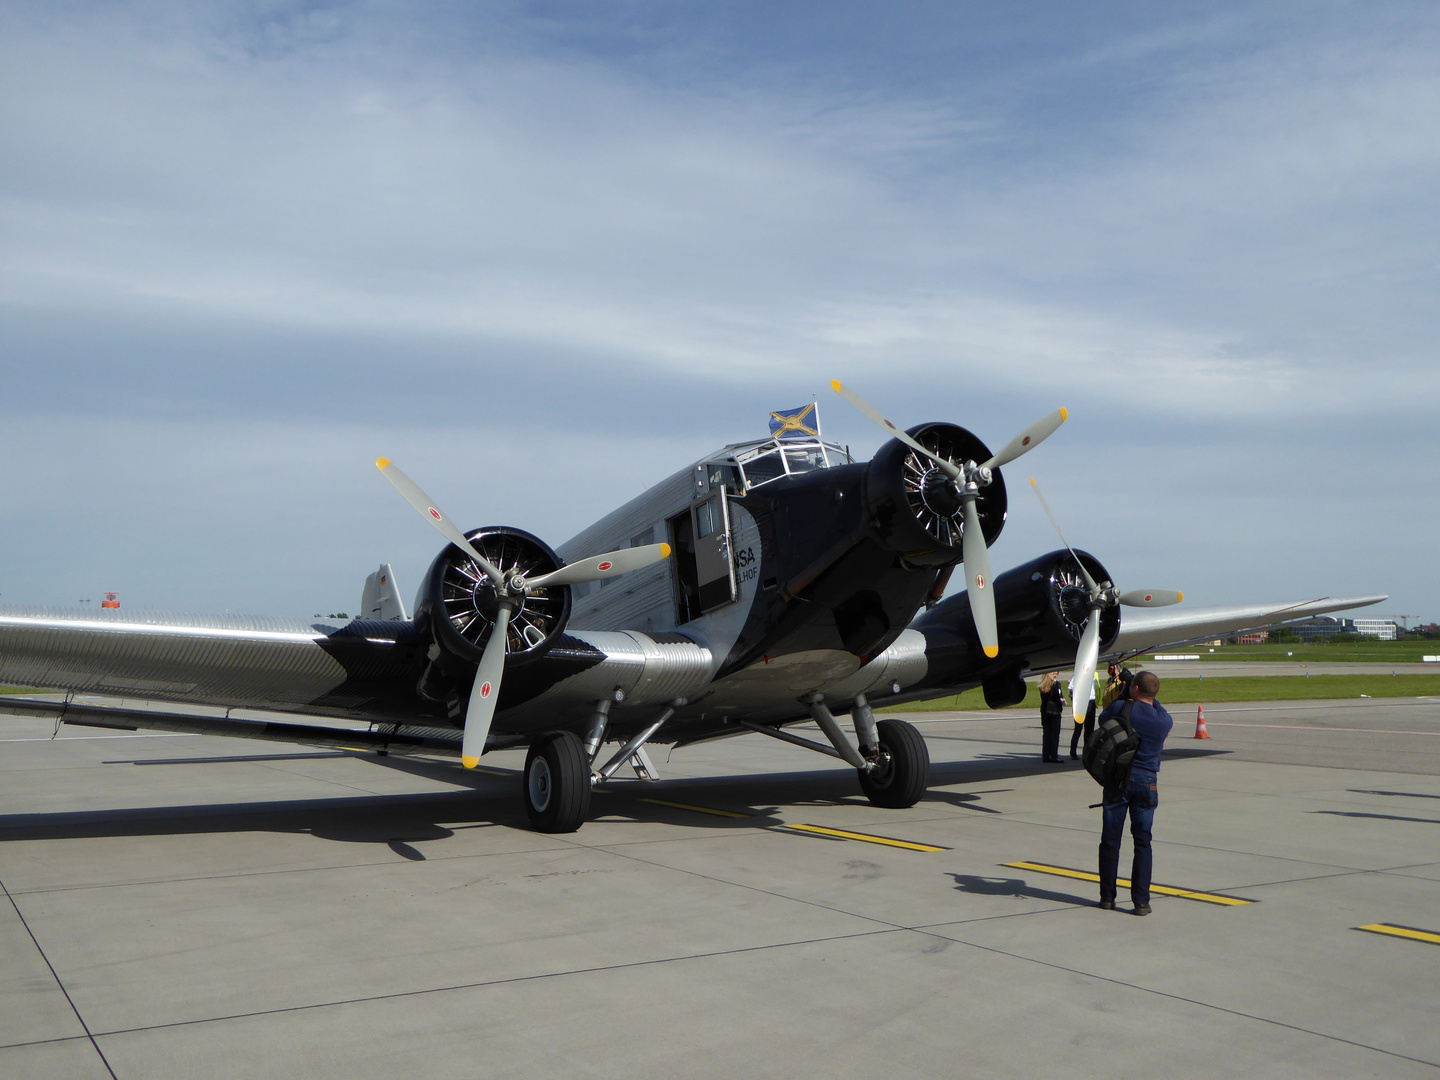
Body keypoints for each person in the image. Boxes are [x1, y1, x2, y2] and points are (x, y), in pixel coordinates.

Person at [1096, 669, 1173, 915]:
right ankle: (1141, 901)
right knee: (1143, 842)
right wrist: (1140, 689)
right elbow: (1156, 704)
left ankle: (1107, 897)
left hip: (1119, 781)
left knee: (1110, 841)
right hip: (1147, 783)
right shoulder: (1163, 720)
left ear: (1135, 689)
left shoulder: (1123, 708)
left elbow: (1103, 718)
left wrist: (1125, 693)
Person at [1037, 672, 1064, 762]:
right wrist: (1060, 707)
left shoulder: (1042, 685)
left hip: (1045, 711)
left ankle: (1046, 755)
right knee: (1055, 735)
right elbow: (1056, 698)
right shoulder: (1056, 684)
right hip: (1054, 712)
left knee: (1046, 734)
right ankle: (1054, 755)